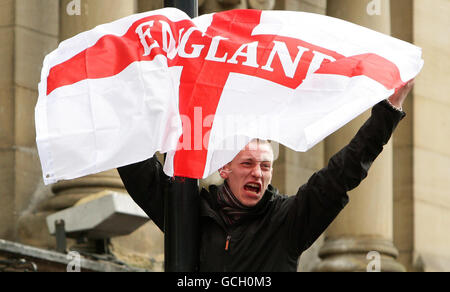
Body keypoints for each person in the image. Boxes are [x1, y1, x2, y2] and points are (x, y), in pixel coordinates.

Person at [117, 80, 415, 272]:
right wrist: (126, 101)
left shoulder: (287, 221)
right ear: (224, 168)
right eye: (247, 163)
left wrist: (388, 112)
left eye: (265, 166)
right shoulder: (190, 212)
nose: (258, 174)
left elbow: (340, 175)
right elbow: (137, 170)